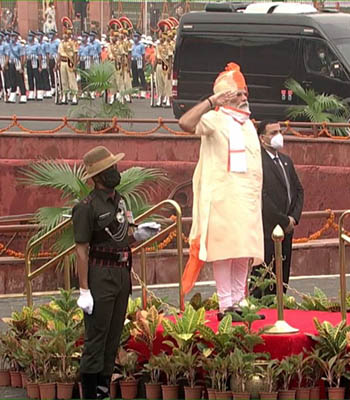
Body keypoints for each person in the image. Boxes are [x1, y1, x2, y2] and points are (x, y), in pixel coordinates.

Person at [178, 63, 264, 319]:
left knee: (243, 253)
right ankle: (226, 304)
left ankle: (240, 301)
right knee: (224, 252)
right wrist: (211, 101)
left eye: (245, 92)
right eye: (239, 93)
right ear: (225, 96)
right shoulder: (214, 119)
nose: (244, 97)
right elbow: (185, 123)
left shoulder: (248, 124)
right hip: (222, 202)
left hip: (247, 202)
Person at [73, 146, 159, 399]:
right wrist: (84, 290)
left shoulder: (120, 200)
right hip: (100, 275)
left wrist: (138, 235)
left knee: (112, 339)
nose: (114, 172)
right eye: (108, 169)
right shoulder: (86, 207)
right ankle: (90, 393)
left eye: (114, 167)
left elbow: (122, 237)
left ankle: (102, 390)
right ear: (97, 176)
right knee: (96, 339)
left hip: (121, 272)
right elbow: (81, 250)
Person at [251, 120, 304, 298]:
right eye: (273, 133)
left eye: (279, 132)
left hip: (287, 229)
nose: (278, 136)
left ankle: (280, 304)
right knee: (264, 276)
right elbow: (262, 196)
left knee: (283, 274)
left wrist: (293, 218)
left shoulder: (286, 161)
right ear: (262, 138)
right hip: (268, 229)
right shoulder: (258, 162)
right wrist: (282, 220)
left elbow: (298, 190)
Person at [58, 27, 78, 104]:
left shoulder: (72, 43)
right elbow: (59, 54)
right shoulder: (61, 44)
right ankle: (64, 96)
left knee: (72, 79)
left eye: (66, 34)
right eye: (64, 34)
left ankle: (74, 96)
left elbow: (75, 54)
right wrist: (57, 63)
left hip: (69, 61)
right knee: (64, 80)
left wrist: (75, 64)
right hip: (62, 62)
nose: (64, 36)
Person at [6, 31, 26, 104]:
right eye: (11, 36)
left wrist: (22, 67)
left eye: (14, 36)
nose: (12, 37)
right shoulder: (9, 45)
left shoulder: (20, 46)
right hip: (11, 63)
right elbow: (8, 55)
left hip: (18, 63)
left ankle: (23, 95)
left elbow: (22, 57)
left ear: (17, 37)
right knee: (12, 79)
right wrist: (6, 64)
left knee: (20, 80)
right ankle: (13, 95)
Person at [131, 31, 146, 99]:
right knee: (134, 76)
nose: (135, 38)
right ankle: (135, 91)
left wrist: (143, 64)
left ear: (139, 38)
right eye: (134, 36)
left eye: (136, 36)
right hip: (133, 60)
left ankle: (143, 91)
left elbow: (143, 55)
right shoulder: (132, 45)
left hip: (139, 60)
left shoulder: (141, 45)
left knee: (141, 75)